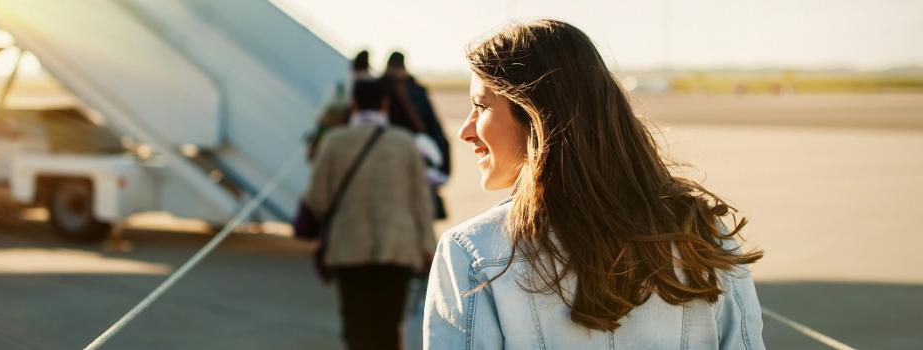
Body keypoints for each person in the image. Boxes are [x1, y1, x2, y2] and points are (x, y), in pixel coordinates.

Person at [423, 19, 766, 349]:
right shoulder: (703, 238)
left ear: (536, 114)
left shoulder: (474, 254)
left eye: (480, 107)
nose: (465, 130)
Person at [304, 79, 436, 350]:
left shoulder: (334, 142)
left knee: (356, 324)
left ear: (353, 105)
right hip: (398, 247)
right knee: (388, 325)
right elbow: (421, 201)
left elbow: (317, 199)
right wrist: (427, 246)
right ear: (385, 105)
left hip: (349, 248)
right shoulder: (405, 143)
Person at [380, 51, 452, 219]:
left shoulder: (380, 88)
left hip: (388, 158)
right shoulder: (416, 90)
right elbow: (435, 129)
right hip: (421, 158)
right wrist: (443, 169)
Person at [307, 50, 374, 160]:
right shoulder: (372, 90)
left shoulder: (340, 88)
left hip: (330, 141)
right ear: (367, 67)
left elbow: (321, 118)